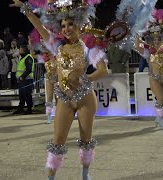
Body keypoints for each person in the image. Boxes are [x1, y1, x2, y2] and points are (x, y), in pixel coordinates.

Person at [10, 0, 108, 179]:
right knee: (58, 141)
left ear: (79, 24)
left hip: (85, 97)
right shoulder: (57, 46)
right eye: (63, 25)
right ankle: (50, 177)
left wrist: (83, 77)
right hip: (64, 98)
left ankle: (85, 174)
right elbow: (40, 27)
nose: (67, 28)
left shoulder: (88, 47)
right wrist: (26, 9)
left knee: (86, 140)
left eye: (71, 24)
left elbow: (103, 70)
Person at [134, 9, 163, 130]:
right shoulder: (148, 50)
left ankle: (158, 118)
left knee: (162, 100)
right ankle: (161, 120)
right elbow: (138, 46)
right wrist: (138, 33)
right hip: (154, 78)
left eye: (158, 38)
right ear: (151, 39)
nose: (156, 40)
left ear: (161, 38)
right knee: (160, 98)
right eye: (154, 38)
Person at [13, 45, 34, 115]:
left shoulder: (28, 58)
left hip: (26, 80)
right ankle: (20, 108)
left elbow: (29, 69)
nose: (19, 51)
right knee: (21, 95)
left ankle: (29, 109)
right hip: (22, 80)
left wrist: (23, 76)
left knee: (27, 94)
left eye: (20, 50)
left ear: (24, 50)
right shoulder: (23, 58)